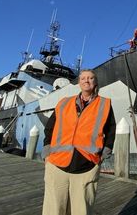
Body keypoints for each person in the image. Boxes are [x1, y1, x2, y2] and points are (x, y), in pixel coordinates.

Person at [42, 69, 116, 215]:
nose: (86, 81)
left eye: (90, 78)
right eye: (83, 78)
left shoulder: (104, 104)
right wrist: (47, 153)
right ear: (78, 82)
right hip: (57, 163)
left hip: (87, 166)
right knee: (53, 210)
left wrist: (103, 155)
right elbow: (50, 127)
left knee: (81, 211)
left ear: (95, 82)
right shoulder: (64, 102)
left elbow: (111, 129)